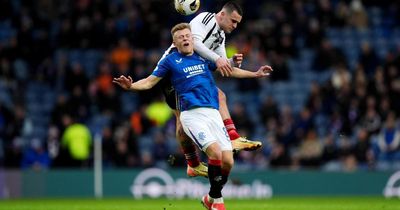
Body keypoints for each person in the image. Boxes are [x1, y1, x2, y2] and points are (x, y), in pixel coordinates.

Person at [113, 23, 272, 210]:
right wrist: (131, 86)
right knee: (215, 153)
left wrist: (254, 73)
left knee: (228, 162)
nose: (186, 39)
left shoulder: (203, 56)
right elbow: (149, 82)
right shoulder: (170, 61)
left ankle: (210, 198)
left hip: (213, 114)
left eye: (188, 36)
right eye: (181, 37)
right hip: (191, 115)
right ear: (175, 42)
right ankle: (218, 203)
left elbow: (228, 69)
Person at [159, 1, 262, 178]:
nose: (235, 26)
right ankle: (199, 160)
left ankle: (203, 157)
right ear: (222, 14)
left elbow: (222, 65)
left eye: (237, 23)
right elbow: (196, 43)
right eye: (233, 21)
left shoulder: (220, 35)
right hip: (174, 71)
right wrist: (218, 59)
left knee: (215, 98)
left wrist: (233, 63)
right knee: (186, 117)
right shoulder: (205, 18)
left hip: (191, 75)